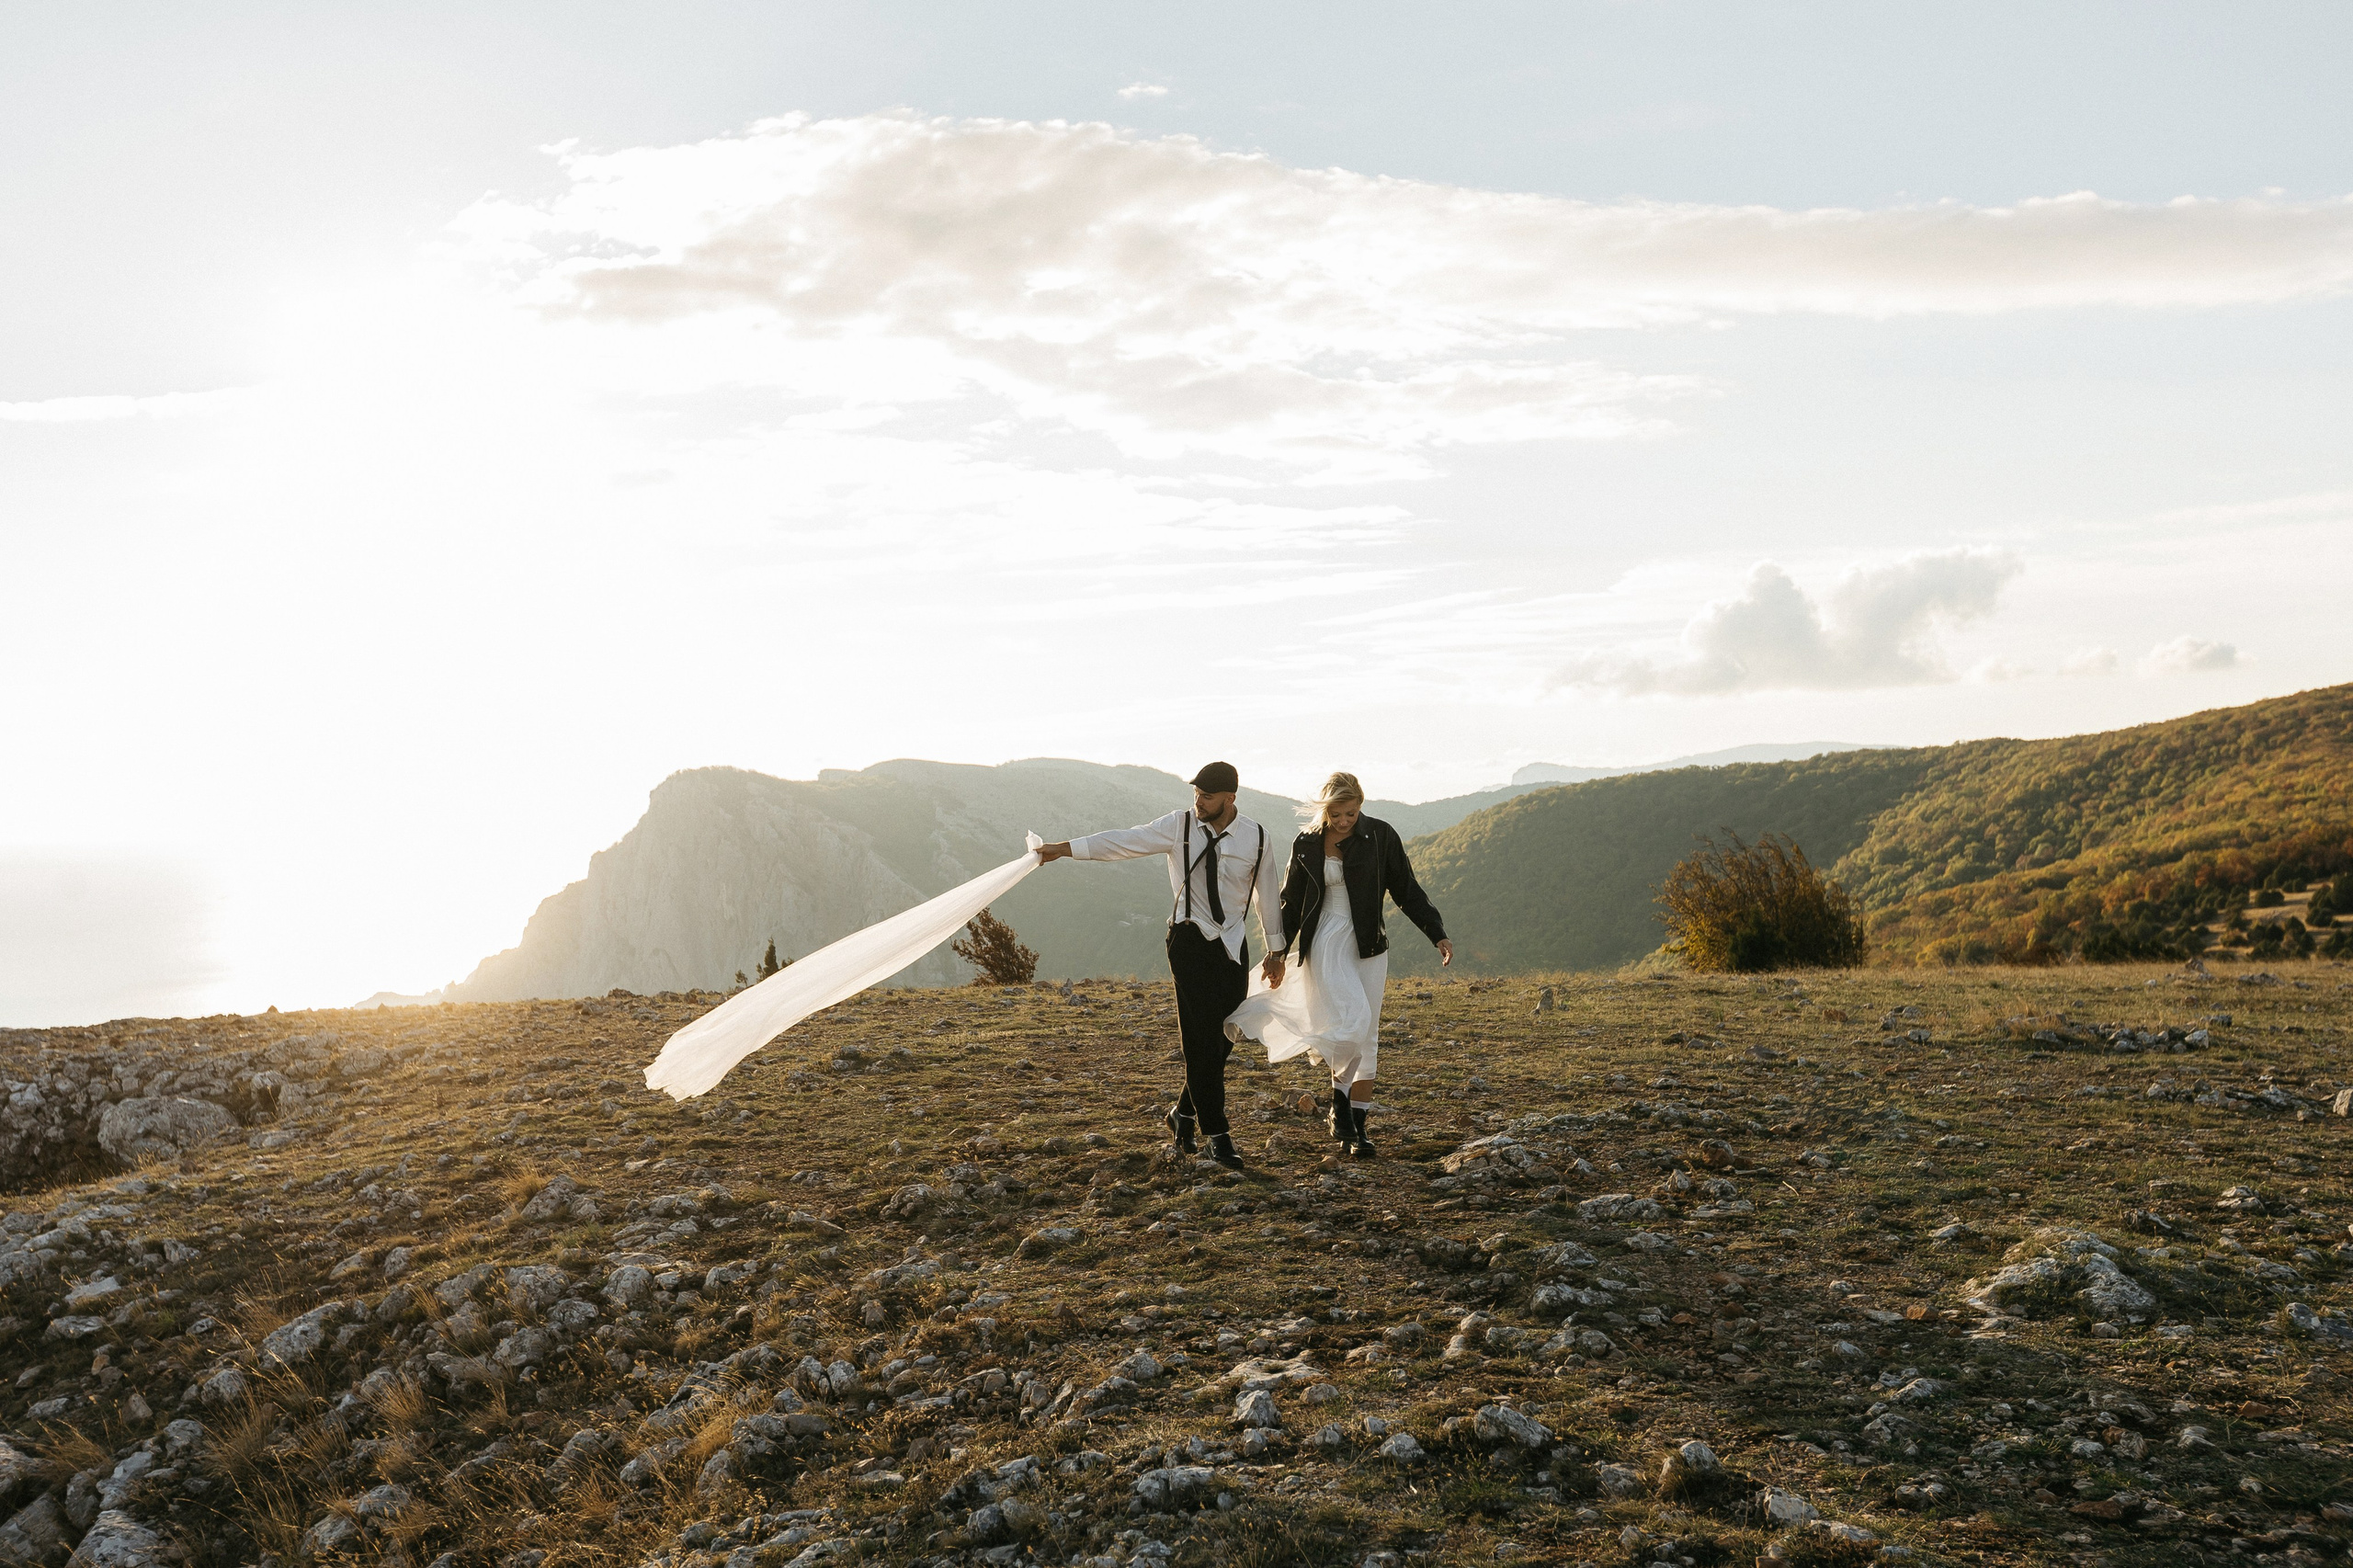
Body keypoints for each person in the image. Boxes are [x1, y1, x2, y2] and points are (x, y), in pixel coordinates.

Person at [1033, 763, 1290, 1170]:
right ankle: (1218, 1136)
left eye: (1207, 796)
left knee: (1223, 1039)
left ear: (1230, 798)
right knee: (1200, 1037)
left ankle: (1182, 1114)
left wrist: (1276, 952)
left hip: (1232, 946)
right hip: (1188, 942)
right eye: (1196, 793)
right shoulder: (1178, 826)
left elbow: (1268, 897)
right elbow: (1123, 842)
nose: (1198, 801)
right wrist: (1062, 849)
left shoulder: (1258, 837)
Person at [1223, 771, 1449, 1157]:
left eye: (1352, 813)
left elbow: (1406, 889)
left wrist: (1436, 932)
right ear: (1324, 809)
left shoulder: (1380, 836)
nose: (1345, 821)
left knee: (1367, 1036)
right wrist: (1277, 953)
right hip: (1326, 940)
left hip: (1370, 947)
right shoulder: (1307, 843)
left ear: (1361, 805)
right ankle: (1339, 1103)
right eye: (1338, 814)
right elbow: (1290, 903)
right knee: (1352, 1020)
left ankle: (1353, 1130)